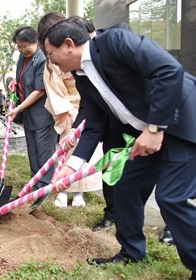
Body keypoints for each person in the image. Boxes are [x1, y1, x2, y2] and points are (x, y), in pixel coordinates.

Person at [46, 20, 196, 277]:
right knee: (125, 185)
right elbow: (93, 125)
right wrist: (70, 167)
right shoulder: (83, 79)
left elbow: (169, 69)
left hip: (181, 124)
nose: (51, 62)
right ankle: (131, 253)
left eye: (51, 54)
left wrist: (154, 128)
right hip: (147, 135)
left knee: (171, 197)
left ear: (69, 45)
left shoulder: (114, 42)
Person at [37, 13, 102, 209]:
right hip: (68, 110)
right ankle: (63, 191)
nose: (51, 56)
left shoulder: (94, 54)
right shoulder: (55, 63)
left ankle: (79, 192)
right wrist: (68, 113)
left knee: (89, 152)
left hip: (90, 109)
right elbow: (54, 89)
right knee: (68, 150)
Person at [7, 26, 57, 210]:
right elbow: (21, 78)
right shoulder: (23, 56)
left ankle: (44, 187)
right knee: (32, 149)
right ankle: (35, 180)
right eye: (19, 47)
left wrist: (19, 107)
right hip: (28, 113)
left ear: (35, 41)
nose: (22, 50)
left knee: (44, 149)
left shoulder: (41, 59)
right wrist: (15, 84)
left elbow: (39, 90)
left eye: (25, 46)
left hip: (41, 112)